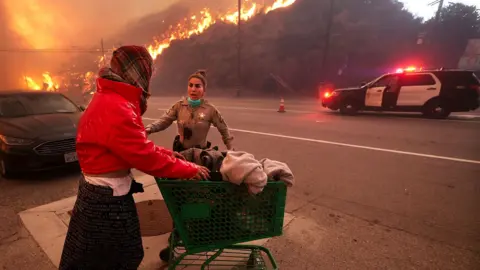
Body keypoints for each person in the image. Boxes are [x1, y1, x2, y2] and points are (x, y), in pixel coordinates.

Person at [58, 45, 210, 270]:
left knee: (91, 257)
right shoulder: (118, 107)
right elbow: (144, 156)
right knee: (124, 255)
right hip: (106, 199)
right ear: (139, 72)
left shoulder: (109, 97)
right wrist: (189, 169)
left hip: (98, 192)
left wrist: (170, 154)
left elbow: (135, 146)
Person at [145, 70, 234, 151]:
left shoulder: (210, 110)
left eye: (197, 86)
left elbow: (223, 129)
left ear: (204, 90)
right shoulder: (179, 106)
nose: (193, 89)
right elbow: (164, 121)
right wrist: (150, 128)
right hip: (181, 153)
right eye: (190, 85)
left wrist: (230, 149)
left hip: (201, 154)